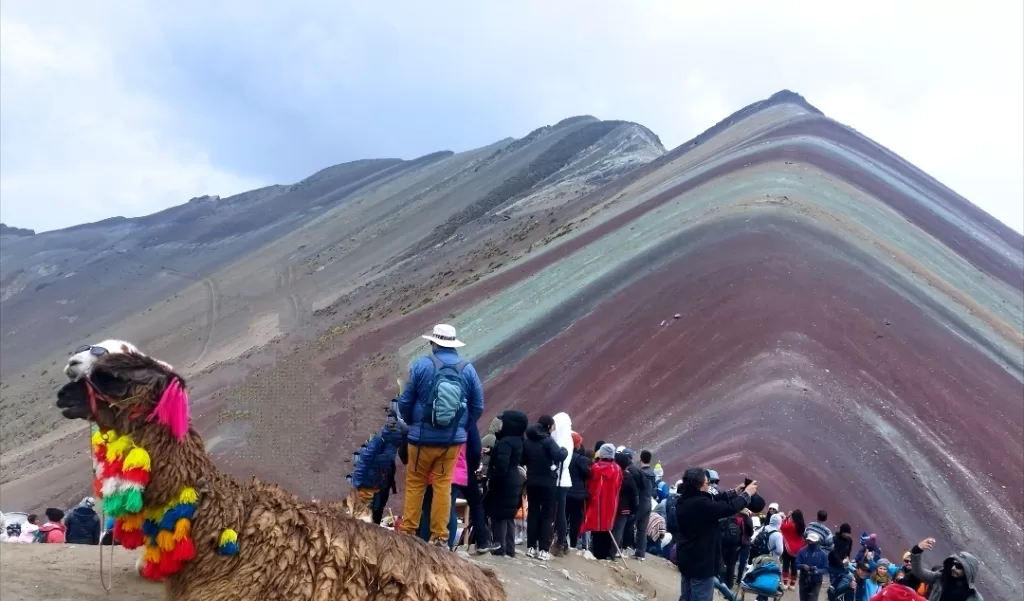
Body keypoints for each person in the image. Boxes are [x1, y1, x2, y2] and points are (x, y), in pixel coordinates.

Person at [397, 324, 484, 548]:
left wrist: (411, 422)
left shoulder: (422, 365)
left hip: (420, 440)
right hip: (451, 443)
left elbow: (405, 401)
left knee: (416, 483)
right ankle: (439, 537)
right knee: (443, 486)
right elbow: (477, 405)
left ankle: (408, 533)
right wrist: (462, 428)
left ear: (433, 343)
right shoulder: (467, 369)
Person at [674, 467, 757, 601]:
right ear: (700, 486)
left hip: (687, 558)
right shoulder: (700, 504)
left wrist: (734, 492)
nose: (709, 486)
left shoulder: (684, 500)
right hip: (701, 563)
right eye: (707, 483)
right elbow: (727, 508)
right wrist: (746, 495)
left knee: (686, 597)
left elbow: (713, 500)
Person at [520, 414, 567, 561]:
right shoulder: (548, 441)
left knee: (533, 513)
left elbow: (522, 459)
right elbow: (559, 455)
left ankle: (531, 547)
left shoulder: (528, 442)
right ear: (548, 426)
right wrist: (564, 450)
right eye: (552, 426)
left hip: (532, 481)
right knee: (547, 515)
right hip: (548, 483)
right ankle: (543, 550)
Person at [483, 410, 527, 558]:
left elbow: (502, 465)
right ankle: (510, 549)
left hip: (504, 481)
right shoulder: (518, 440)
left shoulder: (505, 442)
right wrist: (493, 452)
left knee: (498, 515)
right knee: (509, 516)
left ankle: (498, 547)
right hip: (514, 480)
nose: (501, 424)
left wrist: (492, 481)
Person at [352, 406, 406, 523]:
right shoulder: (397, 429)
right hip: (383, 478)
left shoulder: (379, 437)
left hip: (371, 479)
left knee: (364, 511)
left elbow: (366, 458)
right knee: (377, 509)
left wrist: (357, 480)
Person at [581, 443, 624, 560]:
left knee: (597, 527)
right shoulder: (617, 469)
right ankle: (605, 554)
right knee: (607, 528)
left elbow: (590, 484)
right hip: (611, 503)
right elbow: (619, 485)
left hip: (597, 502)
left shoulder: (595, 468)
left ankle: (597, 553)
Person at [909, 538, 982, 601]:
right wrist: (917, 550)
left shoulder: (974, 598)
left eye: (958, 566)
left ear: (968, 571)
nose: (953, 568)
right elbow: (918, 572)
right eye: (953, 564)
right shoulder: (940, 578)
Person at [549, 412, 574, 557]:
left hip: (560, 480)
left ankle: (561, 541)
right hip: (558, 479)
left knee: (559, 512)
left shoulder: (565, 440)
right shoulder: (561, 439)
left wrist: (551, 466)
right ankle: (558, 540)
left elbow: (563, 463)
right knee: (556, 511)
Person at [566, 430, 592, 550]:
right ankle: (573, 543)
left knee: (563, 516)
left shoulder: (564, 455)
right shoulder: (580, 459)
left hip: (564, 491)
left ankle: (560, 540)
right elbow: (588, 474)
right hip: (578, 494)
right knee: (576, 519)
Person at [612, 449, 639, 557]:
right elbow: (634, 494)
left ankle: (603, 550)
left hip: (611, 505)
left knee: (609, 528)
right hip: (624, 509)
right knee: (619, 530)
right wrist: (634, 509)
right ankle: (613, 552)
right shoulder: (628, 477)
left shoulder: (613, 474)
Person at [633, 449, 657, 561]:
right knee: (642, 529)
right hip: (649, 502)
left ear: (641, 459)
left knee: (628, 524)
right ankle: (641, 553)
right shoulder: (653, 473)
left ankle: (622, 548)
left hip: (640, 502)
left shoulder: (640, 472)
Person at [796, 530, 830, 601]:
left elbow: (826, 568)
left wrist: (816, 571)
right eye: (809, 541)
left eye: (812, 541)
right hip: (804, 580)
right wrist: (802, 566)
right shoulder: (802, 551)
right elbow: (796, 564)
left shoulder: (823, 554)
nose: (810, 543)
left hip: (816, 581)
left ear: (817, 542)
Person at [780, 509, 807, 590]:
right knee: (794, 566)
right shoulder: (803, 526)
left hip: (788, 547)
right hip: (798, 549)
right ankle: (792, 584)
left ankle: (785, 584)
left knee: (786, 564)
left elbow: (782, 526)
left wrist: (786, 517)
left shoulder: (791, 525)